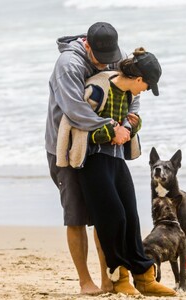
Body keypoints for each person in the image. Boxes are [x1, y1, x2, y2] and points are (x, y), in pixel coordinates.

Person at [58, 47, 177, 297]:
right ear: (137, 79)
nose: (144, 91)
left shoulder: (127, 94)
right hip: (92, 160)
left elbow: (132, 120)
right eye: (146, 86)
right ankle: (119, 276)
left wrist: (130, 126)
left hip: (116, 159)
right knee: (113, 218)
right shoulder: (97, 88)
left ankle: (144, 277)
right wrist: (111, 132)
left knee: (131, 219)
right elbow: (77, 124)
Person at [45, 22, 133, 295]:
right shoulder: (68, 64)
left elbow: (130, 89)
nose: (107, 65)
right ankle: (85, 281)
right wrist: (111, 128)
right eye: (100, 60)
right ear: (87, 45)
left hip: (101, 146)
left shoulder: (114, 56)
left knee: (104, 213)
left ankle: (109, 279)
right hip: (66, 148)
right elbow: (75, 110)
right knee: (76, 216)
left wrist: (129, 124)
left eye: (111, 60)